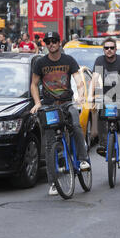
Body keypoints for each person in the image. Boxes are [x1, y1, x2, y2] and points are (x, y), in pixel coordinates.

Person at [30, 32, 90, 196]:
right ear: (45, 44)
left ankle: (83, 159)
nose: (51, 44)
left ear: (59, 42)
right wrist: (37, 103)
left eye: (54, 41)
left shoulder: (69, 60)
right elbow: (34, 85)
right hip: (49, 106)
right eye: (48, 42)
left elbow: (78, 81)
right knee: (50, 144)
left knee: (76, 125)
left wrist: (81, 95)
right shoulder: (40, 63)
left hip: (67, 103)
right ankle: (54, 183)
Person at [90, 37, 120, 160]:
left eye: (112, 48)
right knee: (100, 116)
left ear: (116, 49)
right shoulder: (99, 60)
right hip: (106, 100)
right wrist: (90, 96)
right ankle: (104, 145)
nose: (109, 50)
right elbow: (94, 79)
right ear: (103, 50)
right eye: (106, 48)